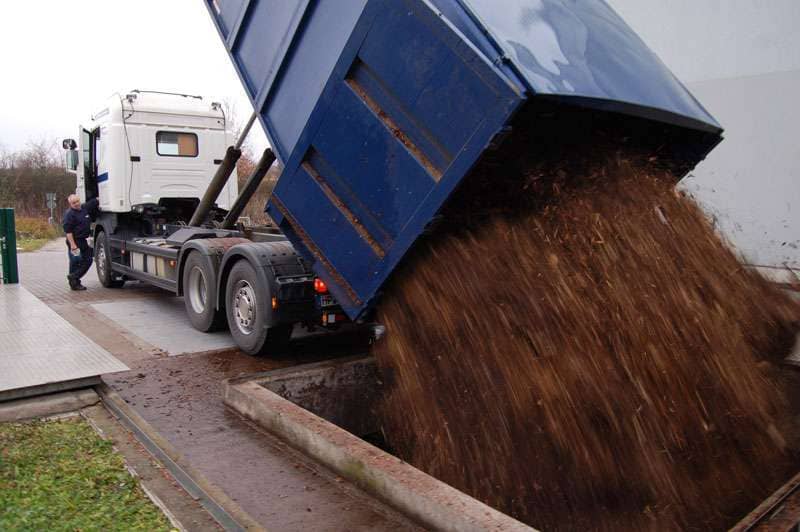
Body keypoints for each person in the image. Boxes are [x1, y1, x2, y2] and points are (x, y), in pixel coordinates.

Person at [63, 194, 100, 290]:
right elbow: (68, 232)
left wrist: (99, 198)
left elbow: (94, 201)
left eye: (77, 201)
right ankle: (75, 282)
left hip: (82, 241)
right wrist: (73, 245)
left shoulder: (84, 208)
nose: (76, 204)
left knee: (88, 259)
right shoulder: (69, 214)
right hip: (74, 241)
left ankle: (74, 278)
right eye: (73, 203)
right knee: (76, 261)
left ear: (79, 201)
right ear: (70, 204)